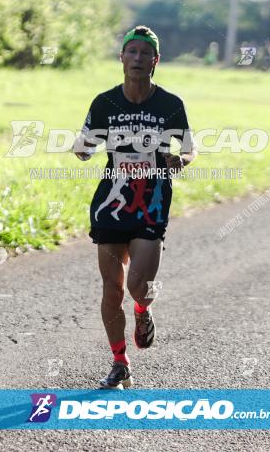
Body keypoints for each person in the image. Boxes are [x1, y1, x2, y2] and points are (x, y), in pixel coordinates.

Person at [74, 26, 196, 389]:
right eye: (132, 52)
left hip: (152, 203)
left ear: (155, 61)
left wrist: (181, 160)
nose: (138, 59)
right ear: (122, 59)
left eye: (146, 53)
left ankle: (143, 311)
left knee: (140, 286)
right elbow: (84, 144)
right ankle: (119, 362)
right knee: (111, 288)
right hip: (112, 204)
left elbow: (189, 146)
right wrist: (84, 148)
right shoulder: (104, 102)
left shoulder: (170, 104)